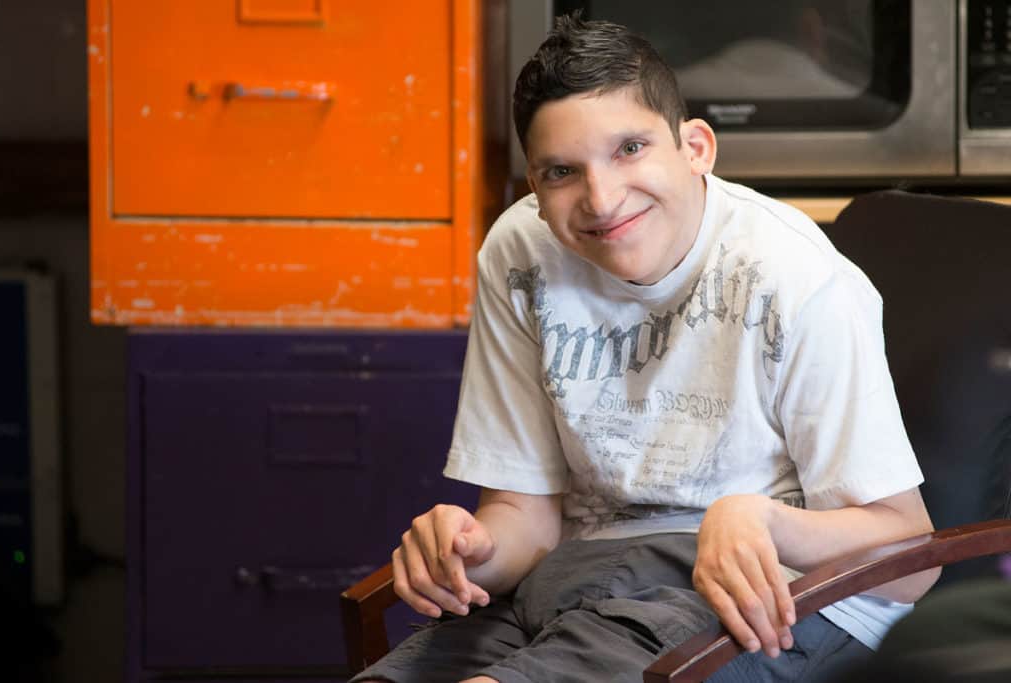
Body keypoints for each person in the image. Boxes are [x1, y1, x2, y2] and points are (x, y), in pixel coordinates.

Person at [354, 13, 938, 683]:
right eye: (562, 171)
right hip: (576, 582)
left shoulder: (795, 275)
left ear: (696, 147)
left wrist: (763, 520)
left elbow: (913, 561)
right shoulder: (520, 254)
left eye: (629, 148)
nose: (602, 199)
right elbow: (526, 516)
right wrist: (469, 550)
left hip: (772, 597)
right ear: (533, 187)